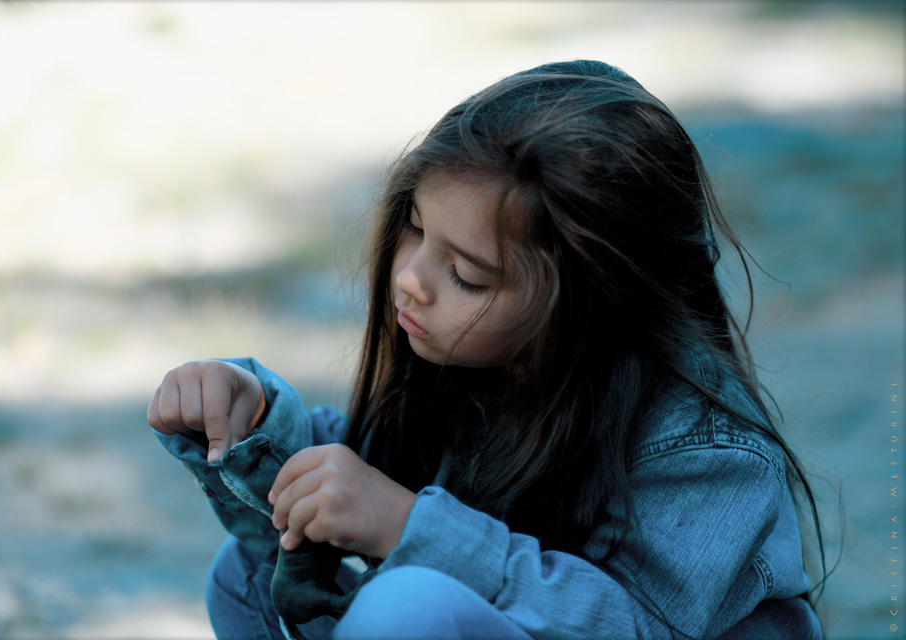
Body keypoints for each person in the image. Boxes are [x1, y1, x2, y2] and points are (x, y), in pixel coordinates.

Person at [147, 60, 826, 639]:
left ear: (593, 304)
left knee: (407, 609)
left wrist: (407, 526)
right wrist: (253, 421)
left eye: (468, 275)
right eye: (414, 228)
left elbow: (635, 626)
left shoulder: (706, 451)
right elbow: (359, 477)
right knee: (247, 579)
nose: (410, 279)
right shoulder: (478, 362)